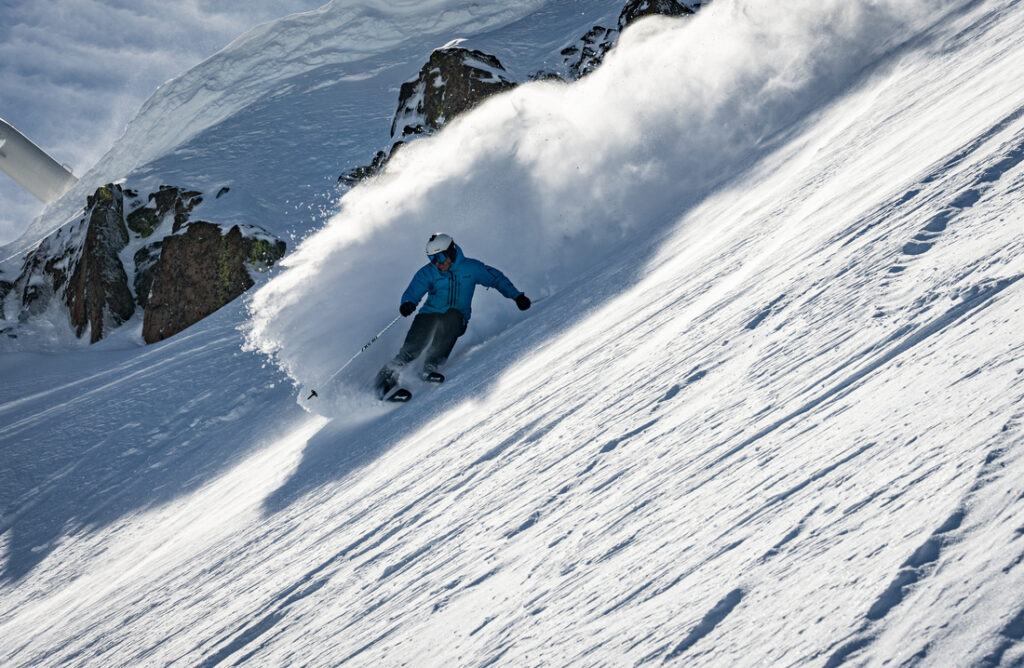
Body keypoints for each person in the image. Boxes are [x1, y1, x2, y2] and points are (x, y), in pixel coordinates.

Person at [374, 233, 531, 398]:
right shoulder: (428, 272)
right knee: (415, 345)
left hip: (457, 319)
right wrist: (408, 303)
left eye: (440, 257)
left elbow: (496, 279)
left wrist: (517, 296)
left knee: (452, 317)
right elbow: (415, 289)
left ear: (451, 252)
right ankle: (387, 377)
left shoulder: (471, 268)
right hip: (429, 315)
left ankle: (429, 367)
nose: (437, 263)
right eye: (432, 258)